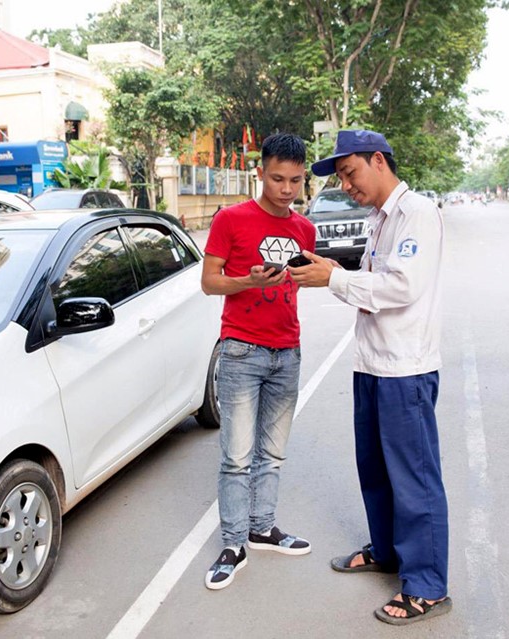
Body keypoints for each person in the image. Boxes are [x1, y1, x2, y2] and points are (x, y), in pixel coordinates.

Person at [289, 129, 451, 625]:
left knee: (414, 481)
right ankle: (387, 550)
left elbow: (400, 286)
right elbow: (369, 281)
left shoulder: (417, 213)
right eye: (340, 177)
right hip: (373, 365)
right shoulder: (381, 220)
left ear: (379, 161)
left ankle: (426, 586)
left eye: (350, 172)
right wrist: (328, 268)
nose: (347, 185)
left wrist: (332, 278)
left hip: (405, 368)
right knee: (377, 473)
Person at [201, 133, 317, 590]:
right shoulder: (231, 220)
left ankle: (262, 526)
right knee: (236, 456)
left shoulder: (304, 229)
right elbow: (210, 283)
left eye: (294, 180)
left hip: (288, 350)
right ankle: (232, 544)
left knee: (272, 454)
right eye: (276, 178)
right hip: (241, 350)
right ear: (260, 173)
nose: (286, 189)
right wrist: (246, 281)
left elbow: (301, 283)